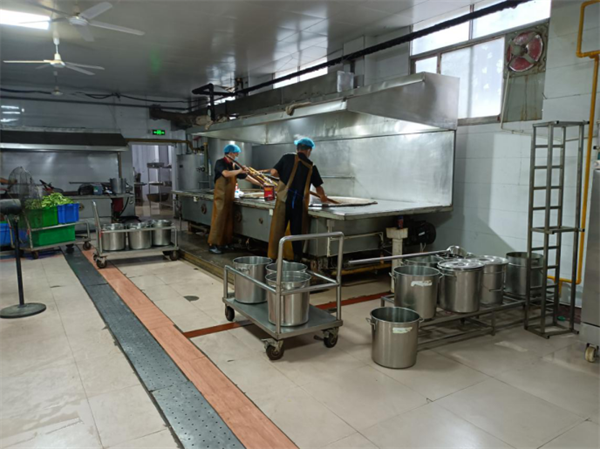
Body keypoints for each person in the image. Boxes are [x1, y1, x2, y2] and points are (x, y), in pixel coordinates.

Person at [266, 137, 330, 261]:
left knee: (278, 230)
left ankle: (272, 259)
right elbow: (319, 188)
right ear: (309, 150)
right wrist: (323, 198)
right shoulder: (311, 166)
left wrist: (283, 176)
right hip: (299, 205)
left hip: (283, 201)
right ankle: (296, 259)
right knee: (297, 232)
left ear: (297, 148)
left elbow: (273, 173)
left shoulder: (286, 157)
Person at [207, 144, 259, 254]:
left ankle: (225, 243)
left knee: (228, 222)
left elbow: (246, 177)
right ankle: (213, 244)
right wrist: (240, 170)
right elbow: (226, 174)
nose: (237, 156)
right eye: (236, 154)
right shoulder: (220, 162)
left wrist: (261, 184)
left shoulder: (233, 165)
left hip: (229, 198)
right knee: (219, 220)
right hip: (221, 198)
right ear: (230, 153)